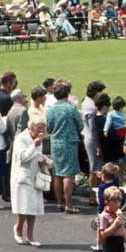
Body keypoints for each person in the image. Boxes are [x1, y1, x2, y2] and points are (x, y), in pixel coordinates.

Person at [46, 79, 83, 213]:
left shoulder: (51, 109)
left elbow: (49, 128)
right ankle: (68, 204)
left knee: (57, 173)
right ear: (67, 95)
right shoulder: (71, 108)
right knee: (68, 174)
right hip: (70, 143)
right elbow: (80, 125)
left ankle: (59, 202)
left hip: (56, 143)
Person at [11, 118, 48, 246]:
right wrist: (34, 146)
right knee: (24, 207)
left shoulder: (38, 139)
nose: (41, 131)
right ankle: (18, 229)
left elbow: (37, 155)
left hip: (35, 175)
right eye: (39, 128)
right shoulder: (21, 139)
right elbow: (23, 157)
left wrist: (44, 160)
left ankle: (30, 235)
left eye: (43, 128)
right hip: (23, 176)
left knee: (34, 207)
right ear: (31, 127)